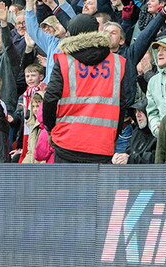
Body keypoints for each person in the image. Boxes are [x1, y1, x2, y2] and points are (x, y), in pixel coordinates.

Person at [43, 13, 135, 164]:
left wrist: (50, 129)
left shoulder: (65, 61)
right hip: (102, 144)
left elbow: (50, 98)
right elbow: (121, 105)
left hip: (67, 141)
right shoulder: (118, 63)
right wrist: (113, 136)